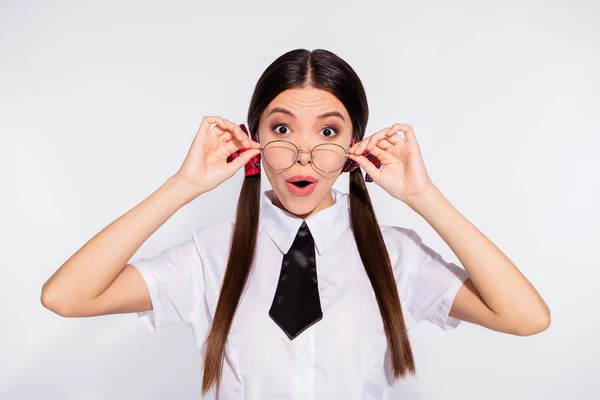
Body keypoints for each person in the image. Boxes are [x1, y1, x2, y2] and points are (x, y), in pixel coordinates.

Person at [41, 48, 551, 399]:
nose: (303, 155)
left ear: (356, 147)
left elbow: (526, 318)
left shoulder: (398, 257)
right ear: (254, 141)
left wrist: (424, 197)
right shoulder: (207, 256)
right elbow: (66, 297)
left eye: (328, 130)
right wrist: (184, 185)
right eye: (282, 128)